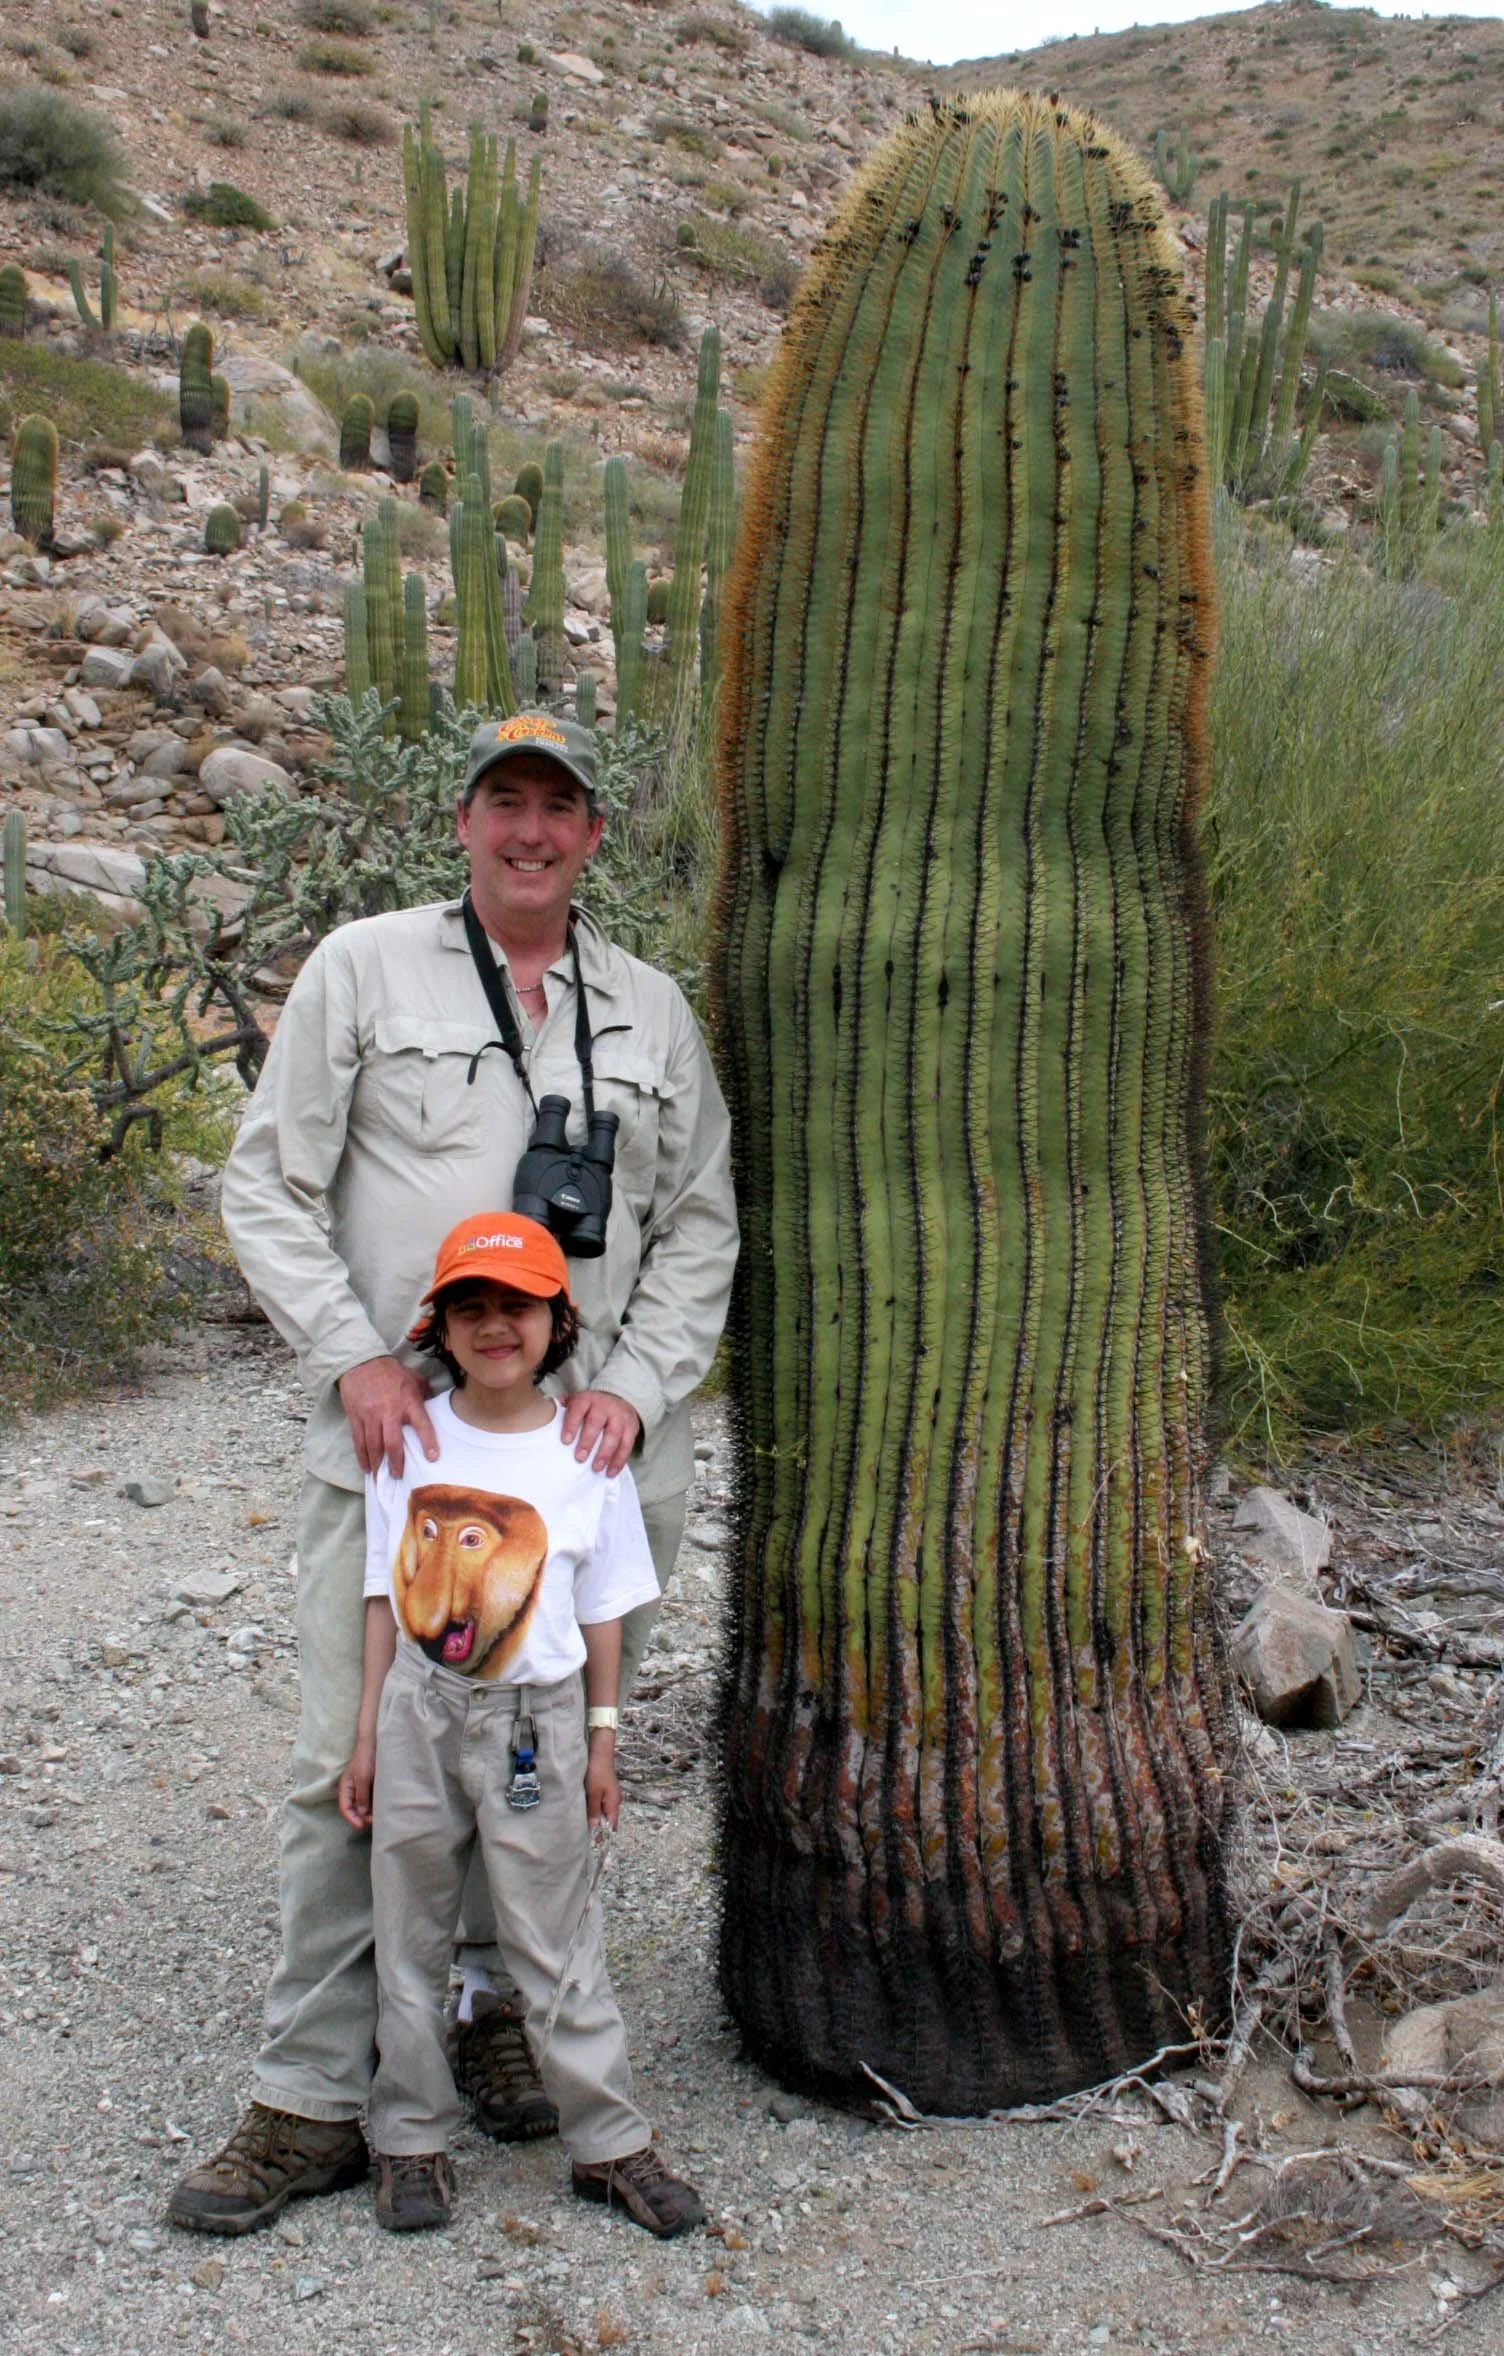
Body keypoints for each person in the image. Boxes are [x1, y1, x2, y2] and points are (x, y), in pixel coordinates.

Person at [169, 711, 738, 2237]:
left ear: (594, 835)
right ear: (467, 823)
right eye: (506, 803)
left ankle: (492, 2024)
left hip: (587, 1458)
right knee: (352, 1759)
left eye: (560, 807)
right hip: (407, 1442)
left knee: (537, 1744)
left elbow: (699, 1224)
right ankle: (308, 2099)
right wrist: (355, 1352)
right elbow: (268, 1181)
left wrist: (625, 1387)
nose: (531, 831)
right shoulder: (364, 971)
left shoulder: (651, 1012)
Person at [338, 1210, 702, 2237]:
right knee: (408, 1930)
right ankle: (409, 2139)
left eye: (517, 1307)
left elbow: (603, 1613)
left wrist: (601, 1738)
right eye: (471, 1308)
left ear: (557, 1321)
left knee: (556, 1940)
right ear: (440, 1327)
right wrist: (368, 1731)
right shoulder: (411, 1441)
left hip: (537, 1720)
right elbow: (383, 1588)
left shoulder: (588, 1453)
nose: (495, 1326)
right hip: (420, 1707)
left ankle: (610, 2145)